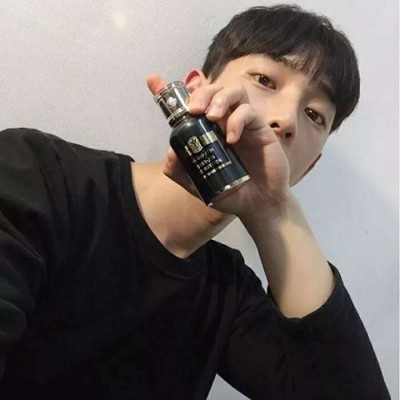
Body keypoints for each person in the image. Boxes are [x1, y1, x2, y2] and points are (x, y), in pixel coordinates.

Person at [0, 4, 391, 399]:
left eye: (314, 114)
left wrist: (275, 209)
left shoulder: (228, 295)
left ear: (310, 166)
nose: (287, 120)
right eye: (265, 80)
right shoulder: (34, 172)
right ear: (195, 91)